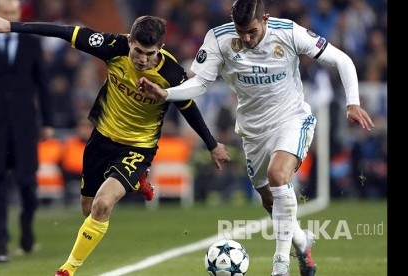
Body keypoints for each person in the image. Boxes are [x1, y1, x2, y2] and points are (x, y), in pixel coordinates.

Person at [0, 14, 230, 276]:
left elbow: (187, 106)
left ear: (161, 49)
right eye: (138, 50)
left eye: (150, 53)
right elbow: (66, 31)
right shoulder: (112, 46)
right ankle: (137, 181)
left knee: (103, 204)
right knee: (88, 209)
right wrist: (12, 27)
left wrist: (211, 144)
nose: (142, 59)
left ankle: (67, 269)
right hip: (102, 140)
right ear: (129, 41)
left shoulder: (172, 73)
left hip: (138, 147)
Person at [137, 0, 375, 275]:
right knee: (271, 202)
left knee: (278, 175)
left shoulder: (289, 33)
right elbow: (200, 83)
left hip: (291, 119)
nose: (246, 38)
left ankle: (280, 266)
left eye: (251, 31)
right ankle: (301, 241)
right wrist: (167, 94)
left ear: (266, 19)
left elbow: (341, 59)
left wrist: (352, 102)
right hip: (252, 131)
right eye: (241, 32)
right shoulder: (219, 39)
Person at [0, 0, 54, 262]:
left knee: (28, 183)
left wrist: (48, 122)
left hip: (25, 127)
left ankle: (26, 223)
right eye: (5, 13)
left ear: (18, 15)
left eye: (13, 13)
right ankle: (2, 241)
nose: (9, 17)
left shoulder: (32, 44)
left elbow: (44, 85)